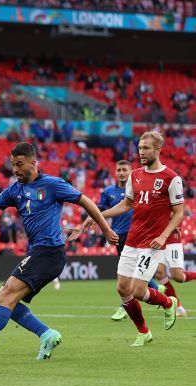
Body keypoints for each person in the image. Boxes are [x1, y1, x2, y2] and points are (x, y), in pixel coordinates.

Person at [0, 142, 118, 362]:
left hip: (50, 252)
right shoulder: (14, 190)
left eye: (19, 164)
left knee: (6, 296)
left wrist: (106, 229)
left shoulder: (53, 184)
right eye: (12, 165)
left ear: (33, 163)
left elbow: (86, 202)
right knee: (2, 297)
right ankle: (46, 334)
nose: (15, 169)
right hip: (38, 252)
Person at [70, 131, 183, 347]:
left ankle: (168, 303)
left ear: (158, 150)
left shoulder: (172, 178)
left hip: (152, 243)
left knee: (138, 291)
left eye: (146, 148)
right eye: (140, 148)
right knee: (123, 288)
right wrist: (98, 216)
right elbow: (126, 204)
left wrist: (163, 236)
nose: (141, 152)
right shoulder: (135, 175)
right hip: (132, 239)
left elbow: (178, 213)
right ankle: (144, 332)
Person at [96, 160, 164, 321]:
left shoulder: (139, 188)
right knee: (132, 272)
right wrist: (102, 227)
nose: (121, 173)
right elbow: (100, 212)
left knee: (131, 275)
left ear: (130, 171)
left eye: (124, 170)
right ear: (115, 172)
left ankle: (124, 307)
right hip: (118, 236)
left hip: (138, 234)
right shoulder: (108, 192)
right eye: (119, 170)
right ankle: (157, 289)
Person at [155, 227, 191, 317]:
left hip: (172, 240)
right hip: (160, 239)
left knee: (178, 277)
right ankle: (178, 307)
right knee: (159, 273)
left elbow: (177, 217)